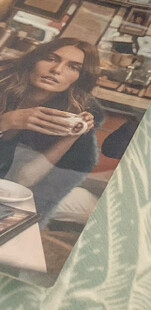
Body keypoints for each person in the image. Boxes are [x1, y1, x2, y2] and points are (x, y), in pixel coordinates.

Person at [0, 37, 104, 223]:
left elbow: (24, 179)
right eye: (50, 58)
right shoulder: (3, 84)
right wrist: (6, 122)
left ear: (80, 78)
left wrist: (73, 134)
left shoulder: (64, 113)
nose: (56, 69)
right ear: (34, 60)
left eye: (73, 67)